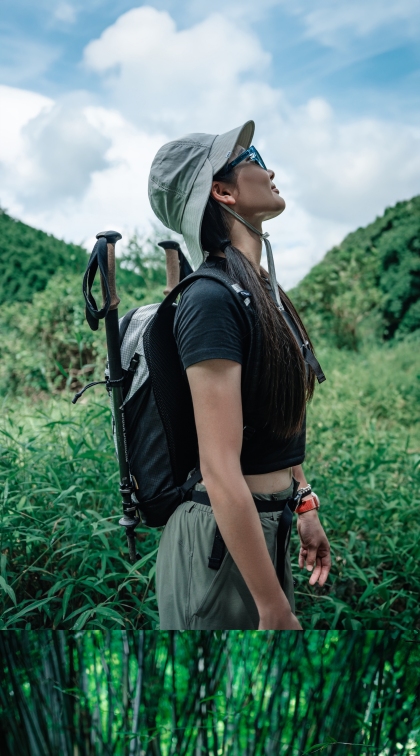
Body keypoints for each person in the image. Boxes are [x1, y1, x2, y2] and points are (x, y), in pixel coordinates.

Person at [148, 120, 331, 634]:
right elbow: (219, 466)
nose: (269, 170)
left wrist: (303, 502)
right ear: (223, 192)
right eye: (252, 158)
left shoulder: (261, 291)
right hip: (218, 543)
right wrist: (273, 607)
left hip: (261, 530)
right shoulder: (210, 300)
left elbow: (275, 420)